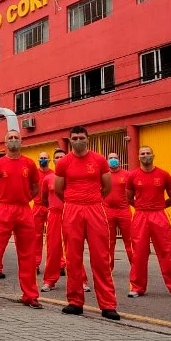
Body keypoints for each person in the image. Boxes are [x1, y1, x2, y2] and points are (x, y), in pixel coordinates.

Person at [54, 126, 120, 320]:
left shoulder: (99, 160)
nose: (78, 140)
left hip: (95, 207)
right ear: (70, 140)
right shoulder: (64, 162)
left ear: (88, 139)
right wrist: (74, 201)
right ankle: (75, 302)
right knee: (73, 257)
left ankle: (108, 305)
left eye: (81, 137)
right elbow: (59, 190)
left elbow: (107, 187)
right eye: (74, 138)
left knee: (101, 257)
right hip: (72, 208)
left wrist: (92, 200)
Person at [0, 130, 42, 308]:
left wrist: (25, 199)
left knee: (28, 253)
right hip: (3, 209)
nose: (13, 140)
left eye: (16, 138)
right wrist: (2, 199)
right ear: (5, 143)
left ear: (22, 141)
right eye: (10, 138)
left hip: (24, 210)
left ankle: (30, 295)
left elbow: (36, 187)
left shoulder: (30, 164)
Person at [127, 145, 171, 300]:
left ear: (153, 155)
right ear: (138, 157)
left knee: (167, 252)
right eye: (142, 154)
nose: (145, 156)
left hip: (159, 215)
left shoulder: (164, 175)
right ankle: (137, 287)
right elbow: (128, 198)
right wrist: (142, 207)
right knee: (139, 253)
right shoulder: (132, 176)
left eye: (148, 153)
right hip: (140, 216)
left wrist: (159, 207)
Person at [39, 148, 66, 291]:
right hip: (54, 214)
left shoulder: (72, 176)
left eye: (63, 156)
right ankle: (49, 280)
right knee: (53, 247)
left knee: (74, 247)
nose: (60, 159)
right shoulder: (48, 178)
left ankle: (82, 280)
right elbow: (44, 199)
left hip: (69, 213)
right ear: (53, 160)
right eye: (57, 157)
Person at [104, 152, 136, 270]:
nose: (113, 160)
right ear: (107, 160)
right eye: (111, 158)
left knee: (130, 240)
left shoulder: (127, 175)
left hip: (124, 211)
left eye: (115, 158)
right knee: (109, 242)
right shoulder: (103, 175)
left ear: (119, 160)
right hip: (107, 211)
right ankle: (108, 268)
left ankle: (135, 267)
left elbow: (134, 192)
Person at [30, 151, 52, 274]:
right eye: (41, 158)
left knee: (53, 237)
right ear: (38, 160)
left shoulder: (53, 174)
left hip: (50, 207)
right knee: (36, 237)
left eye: (45, 158)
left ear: (49, 160)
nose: (43, 159)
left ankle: (59, 264)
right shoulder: (34, 175)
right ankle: (35, 264)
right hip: (37, 207)